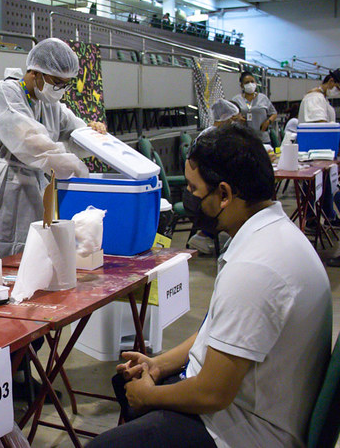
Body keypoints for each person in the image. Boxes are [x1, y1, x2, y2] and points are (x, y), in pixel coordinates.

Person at [89, 124, 332, 448]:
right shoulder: (274, 235)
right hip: (243, 406)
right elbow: (219, 332)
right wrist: (159, 364)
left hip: (244, 429)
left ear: (225, 194)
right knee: (127, 382)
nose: (189, 198)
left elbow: (212, 392)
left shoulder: (255, 269)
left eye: (194, 189)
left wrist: (152, 396)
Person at [0, 38, 106, 261]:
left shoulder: (49, 104)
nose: (60, 90)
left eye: (66, 84)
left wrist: (93, 133)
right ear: (34, 73)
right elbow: (33, 144)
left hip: (32, 192)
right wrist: (75, 167)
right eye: (56, 82)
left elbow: (75, 134)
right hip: (0, 194)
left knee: (31, 259)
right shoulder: (6, 95)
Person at [186, 99, 240, 255]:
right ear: (227, 118)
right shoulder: (213, 138)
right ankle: (205, 234)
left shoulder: (212, 134)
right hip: (198, 196)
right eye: (234, 119)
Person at [230, 71, 277, 144]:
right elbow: (230, 117)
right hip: (244, 139)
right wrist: (237, 118)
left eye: (252, 81)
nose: (250, 84)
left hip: (263, 139)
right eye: (247, 82)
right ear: (242, 86)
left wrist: (268, 122)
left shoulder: (263, 98)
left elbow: (274, 113)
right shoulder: (236, 99)